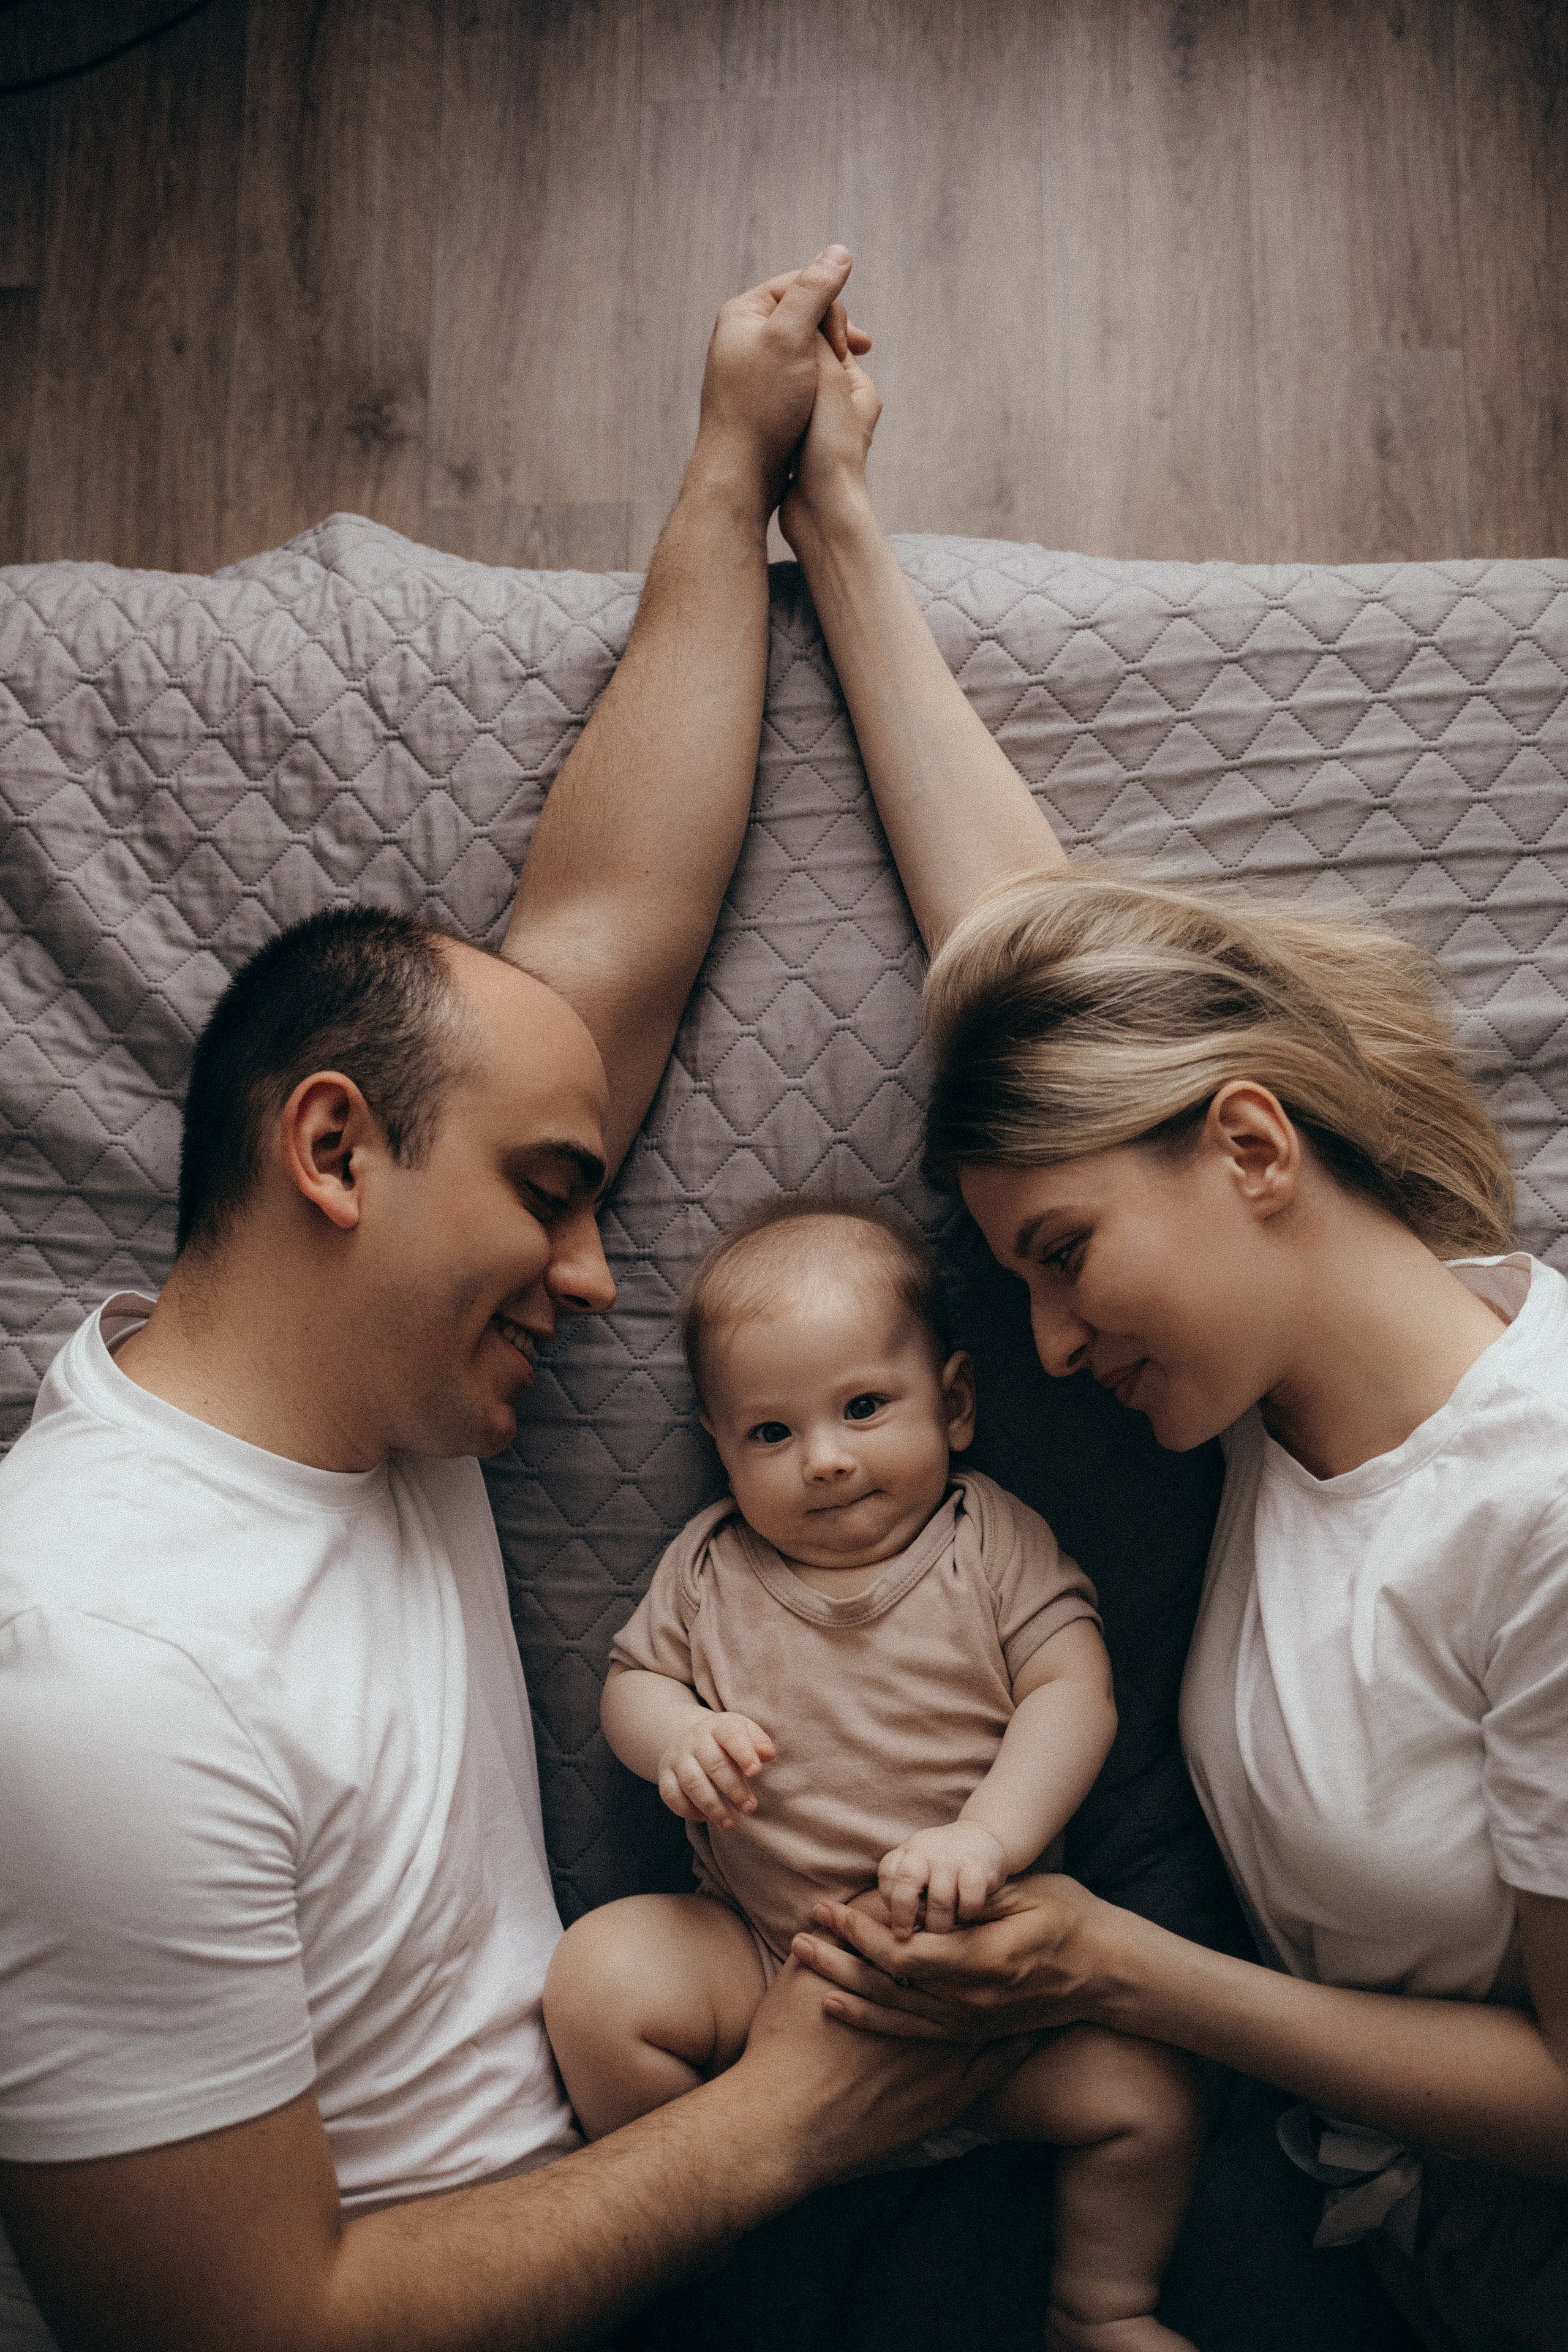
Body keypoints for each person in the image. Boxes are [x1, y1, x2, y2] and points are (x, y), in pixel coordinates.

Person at [0, 251, 1028, 2352]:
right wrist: (790, 2130)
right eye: (553, 1200)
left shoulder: (362, 1397)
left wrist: (738, 458)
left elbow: (607, 933)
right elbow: (245, 2331)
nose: (604, 1263)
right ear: (335, 1154)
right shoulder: (84, 1673)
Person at [767, 325, 1568, 2351]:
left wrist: (1113, 1971)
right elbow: (1028, 972)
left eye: (1058, 1260)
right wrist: (836, 516)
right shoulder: (1300, 1381)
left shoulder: (1541, 1512)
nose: (1042, 1348)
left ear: (1252, 1145)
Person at [544, 1197, 1203, 2352]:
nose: (826, 1459)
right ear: (718, 1442)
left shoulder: (991, 1541)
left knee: (1150, 2092)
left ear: (951, 1403)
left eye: (862, 1408)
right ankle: (705, 2228)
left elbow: (1072, 1693)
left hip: (983, 1983)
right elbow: (628, 1684)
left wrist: (986, 1840)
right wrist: (679, 1737)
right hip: (763, 1958)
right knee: (597, 1981)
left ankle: (1101, 2303)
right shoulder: (710, 1564)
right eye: (771, 1434)